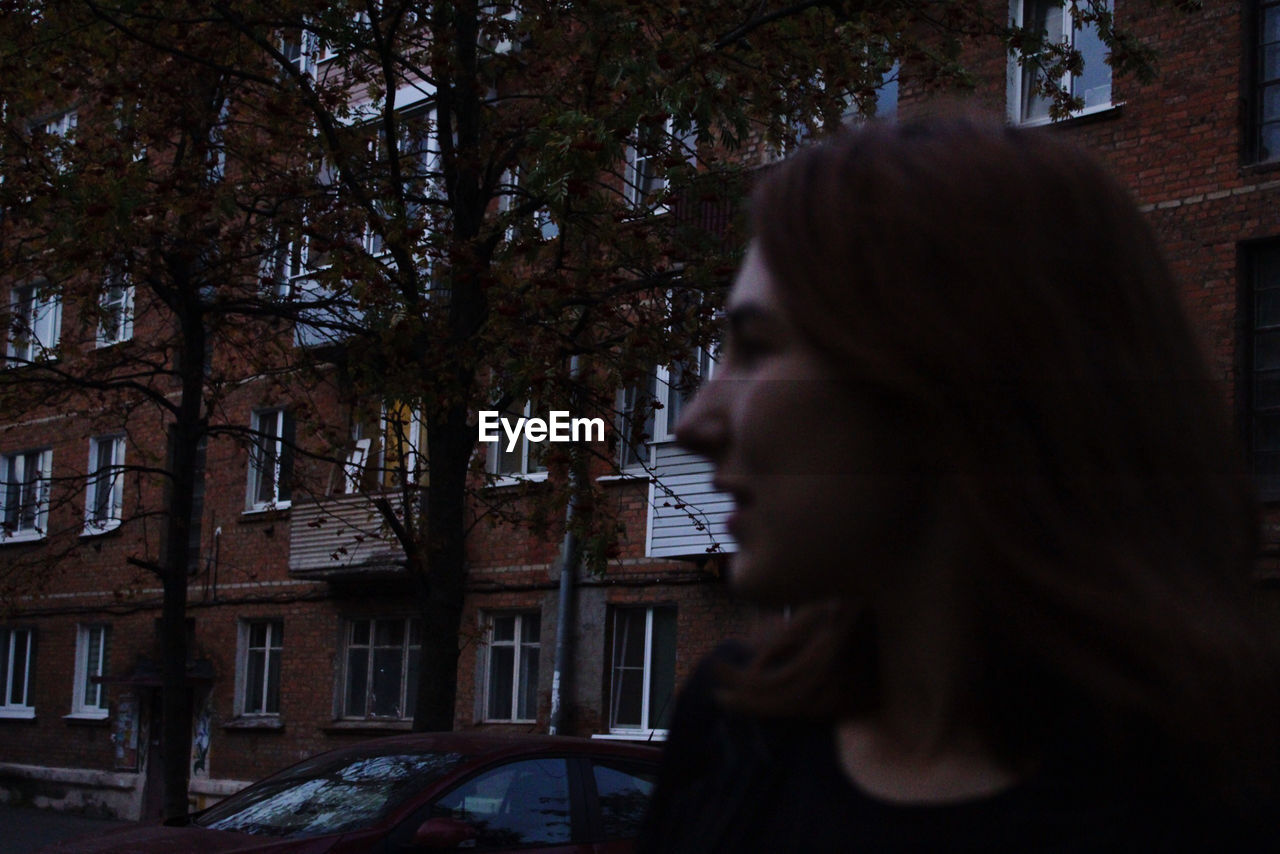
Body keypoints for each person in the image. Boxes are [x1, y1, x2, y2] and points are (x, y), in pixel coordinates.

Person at [638, 114, 1280, 852]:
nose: (694, 422)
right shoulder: (735, 731)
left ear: (948, 376)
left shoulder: (1220, 805)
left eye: (753, 348)